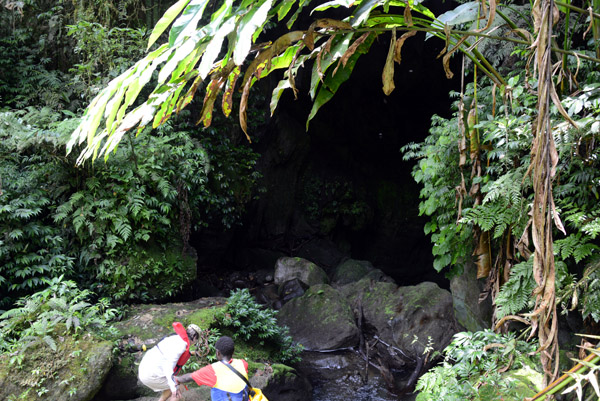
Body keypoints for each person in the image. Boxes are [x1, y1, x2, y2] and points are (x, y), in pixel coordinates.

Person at [138, 322, 202, 401]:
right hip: (151, 375)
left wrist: (194, 353)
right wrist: (173, 387)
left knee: (175, 383)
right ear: (194, 338)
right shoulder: (182, 346)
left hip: (144, 368)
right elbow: (168, 367)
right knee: (178, 387)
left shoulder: (175, 337)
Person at [173, 336, 250, 401]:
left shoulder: (213, 370)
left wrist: (177, 379)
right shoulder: (243, 363)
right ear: (233, 352)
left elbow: (189, 377)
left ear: (218, 353)